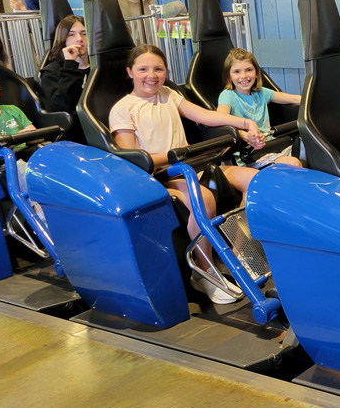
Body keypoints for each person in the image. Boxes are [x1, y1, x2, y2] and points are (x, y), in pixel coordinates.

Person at [109, 44, 265, 305]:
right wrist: (176, 154)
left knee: (257, 182)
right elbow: (133, 158)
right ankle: (204, 273)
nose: (152, 75)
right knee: (204, 199)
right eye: (143, 69)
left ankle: (241, 254)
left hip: (190, 166)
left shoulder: (169, 94)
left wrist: (244, 123)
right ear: (130, 72)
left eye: (158, 68)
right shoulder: (123, 108)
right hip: (161, 176)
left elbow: (206, 116)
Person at [216, 48, 302, 168]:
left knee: (312, 149)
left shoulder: (261, 92)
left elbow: (295, 99)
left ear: (256, 73)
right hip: (250, 155)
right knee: (292, 163)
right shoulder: (228, 95)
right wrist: (243, 135)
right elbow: (220, 119)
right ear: (228, 76)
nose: (244, 76)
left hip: (274, 146)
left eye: (249, 70)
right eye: (236, 72)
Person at [0, 68, 35, 190]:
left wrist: (27, 135)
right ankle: (36, 207)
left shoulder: (12, 110)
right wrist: (11, 143)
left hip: (26, 155)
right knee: (18, 166)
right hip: (0, 164)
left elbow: (36, 136)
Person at [39, 15, 89, 114]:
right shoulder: (51, 72)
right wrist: (70, 64)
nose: (79, 39)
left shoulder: (100, 68)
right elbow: (62, 107)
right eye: (71, 35)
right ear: (63, 39)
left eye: (84, 33)